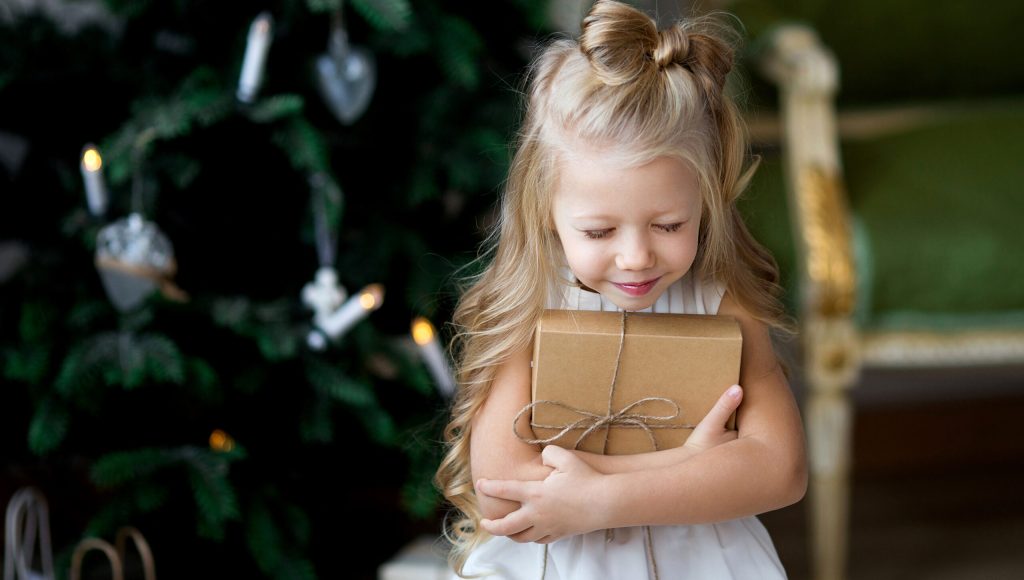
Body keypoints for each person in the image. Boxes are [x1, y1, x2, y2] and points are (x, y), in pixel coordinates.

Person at [434, 1, 807, 577]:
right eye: (599, 230)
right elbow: (504, 495)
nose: (636, 257)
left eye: (669, 225)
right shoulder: (531, 306)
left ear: (704, 203)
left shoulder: (720, 300)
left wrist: (601, 497)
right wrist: (688, 464)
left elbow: (782, 470)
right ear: (546, 212)